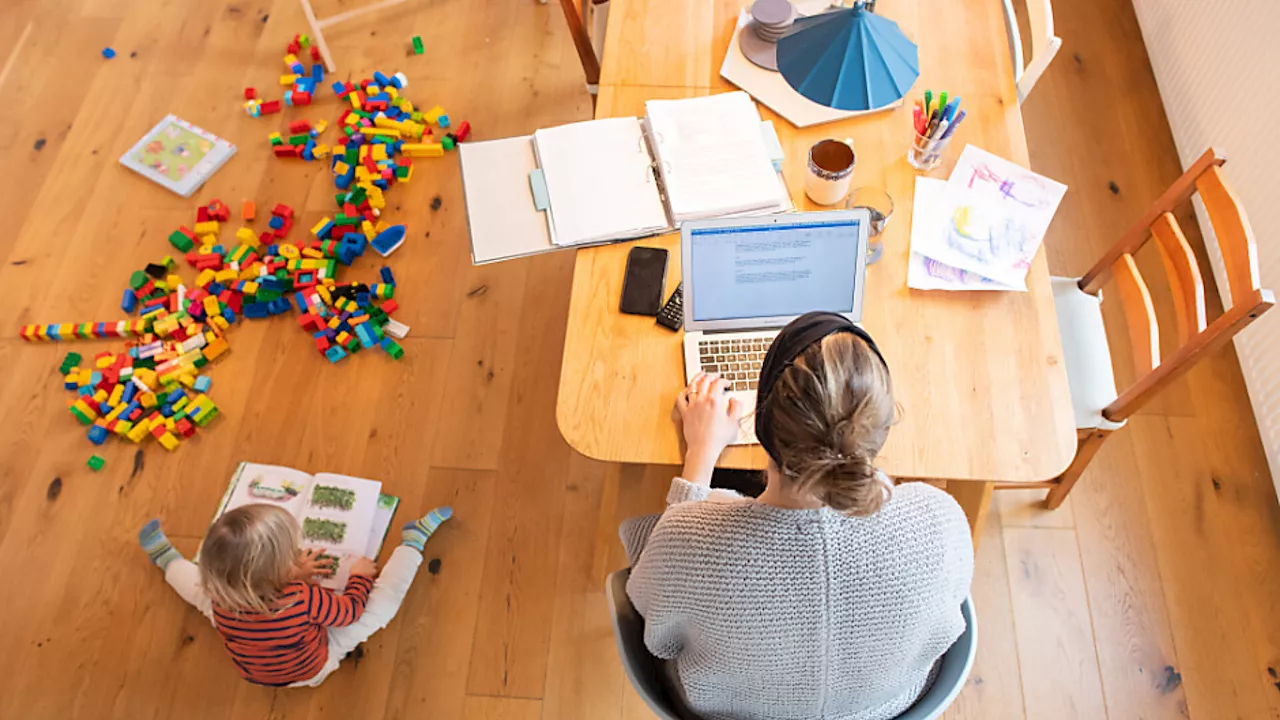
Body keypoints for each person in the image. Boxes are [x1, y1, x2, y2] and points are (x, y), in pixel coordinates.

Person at [623, 311, 974, 720]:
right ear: (882, 429)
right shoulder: (938, 521)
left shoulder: (688, 540)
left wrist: (700, 456)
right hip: (884, 710)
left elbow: (657, 631)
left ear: (760, 427)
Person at [137, 503, 452, 687]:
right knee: (380, 607)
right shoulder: (300, 598)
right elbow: (350, 612)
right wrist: (357, 578)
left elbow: (262, 588)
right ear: (278, 575)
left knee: (197, 591)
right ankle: (413, 542)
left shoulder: (220, 594)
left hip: (252, 669)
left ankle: (166, 559)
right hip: (311, 669)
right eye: (292, 556)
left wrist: (290, 572)